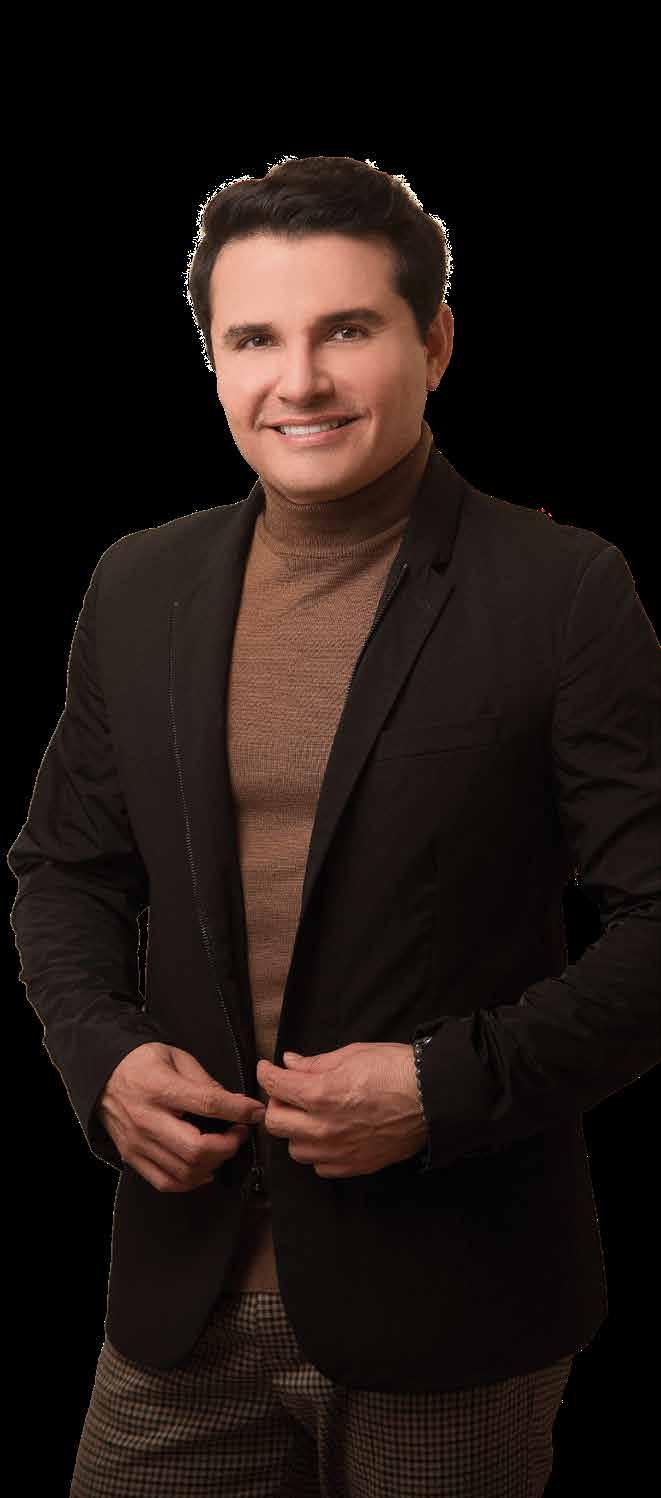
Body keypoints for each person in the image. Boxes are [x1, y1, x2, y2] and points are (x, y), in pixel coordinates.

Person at [8, 154, 660, 1497]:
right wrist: (100, 1056)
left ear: (435, 342)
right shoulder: (138, 584)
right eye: (255, 338)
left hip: (456, 1297)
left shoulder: (564, 590)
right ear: (213, 359)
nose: (296, 381)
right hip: (181, 1289)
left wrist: (440, 1087)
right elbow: (64, 872)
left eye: (345, 330)